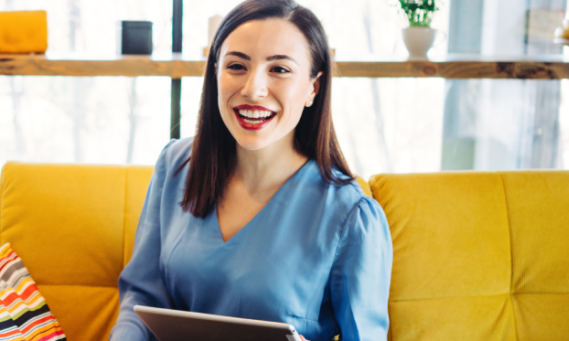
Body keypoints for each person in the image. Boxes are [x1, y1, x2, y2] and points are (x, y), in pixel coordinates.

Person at [111, 1, 392, 340]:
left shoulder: (351, 215)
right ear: (216, 73)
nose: (252, 89)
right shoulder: (175, 166)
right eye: (237, 66)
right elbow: (141, 297)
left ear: (313, 88)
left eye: (279, 70)